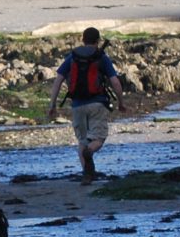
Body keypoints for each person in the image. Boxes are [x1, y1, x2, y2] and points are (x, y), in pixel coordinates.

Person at [46, 27, 125, 183]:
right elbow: (115, 82)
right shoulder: (101, 57)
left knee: (82, 140)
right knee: (99, 138)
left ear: (83, 40)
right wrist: (121, 102)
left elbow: (58, 80)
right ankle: (90, 152)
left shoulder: (73, 57)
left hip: (77, 105)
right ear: (98, 41)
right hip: (97, 103)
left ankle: (87, 175)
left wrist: (52, 104)